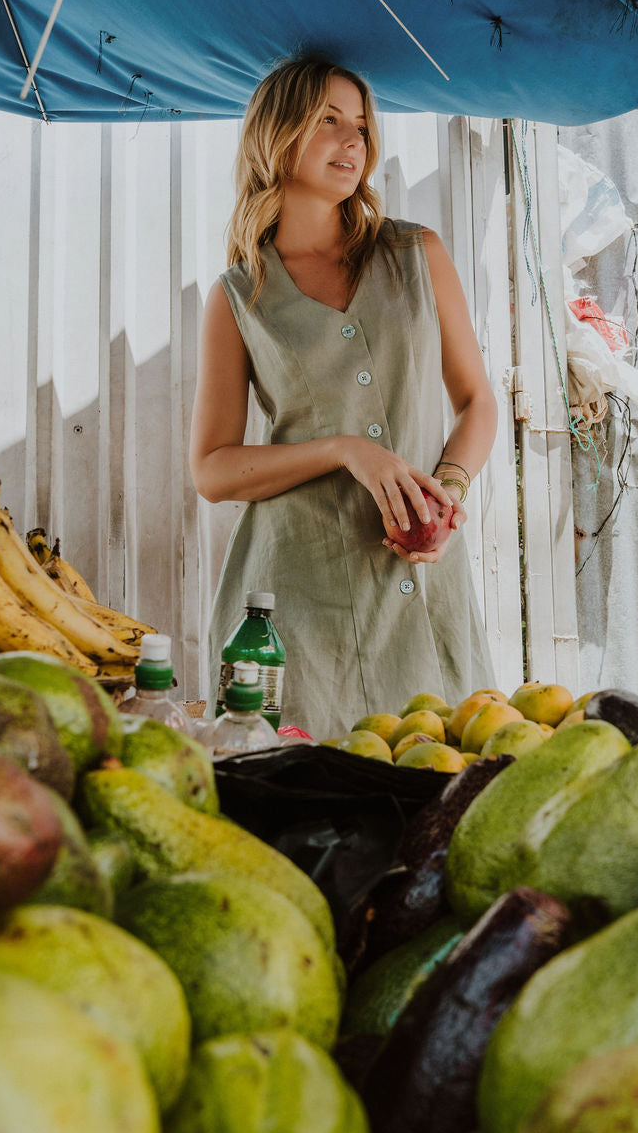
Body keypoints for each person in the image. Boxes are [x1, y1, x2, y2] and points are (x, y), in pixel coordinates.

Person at [189, 56, 499, 743]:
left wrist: (447, 487)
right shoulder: (239, 297)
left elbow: (478, 400)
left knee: (442, 785)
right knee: (307, 809)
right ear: (277, 135)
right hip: (297, 603)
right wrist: (342, 449)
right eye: (328, 120)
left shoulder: (418, 254)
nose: (353, 139)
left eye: (360, 123)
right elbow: (212, 470)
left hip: (420, 585)